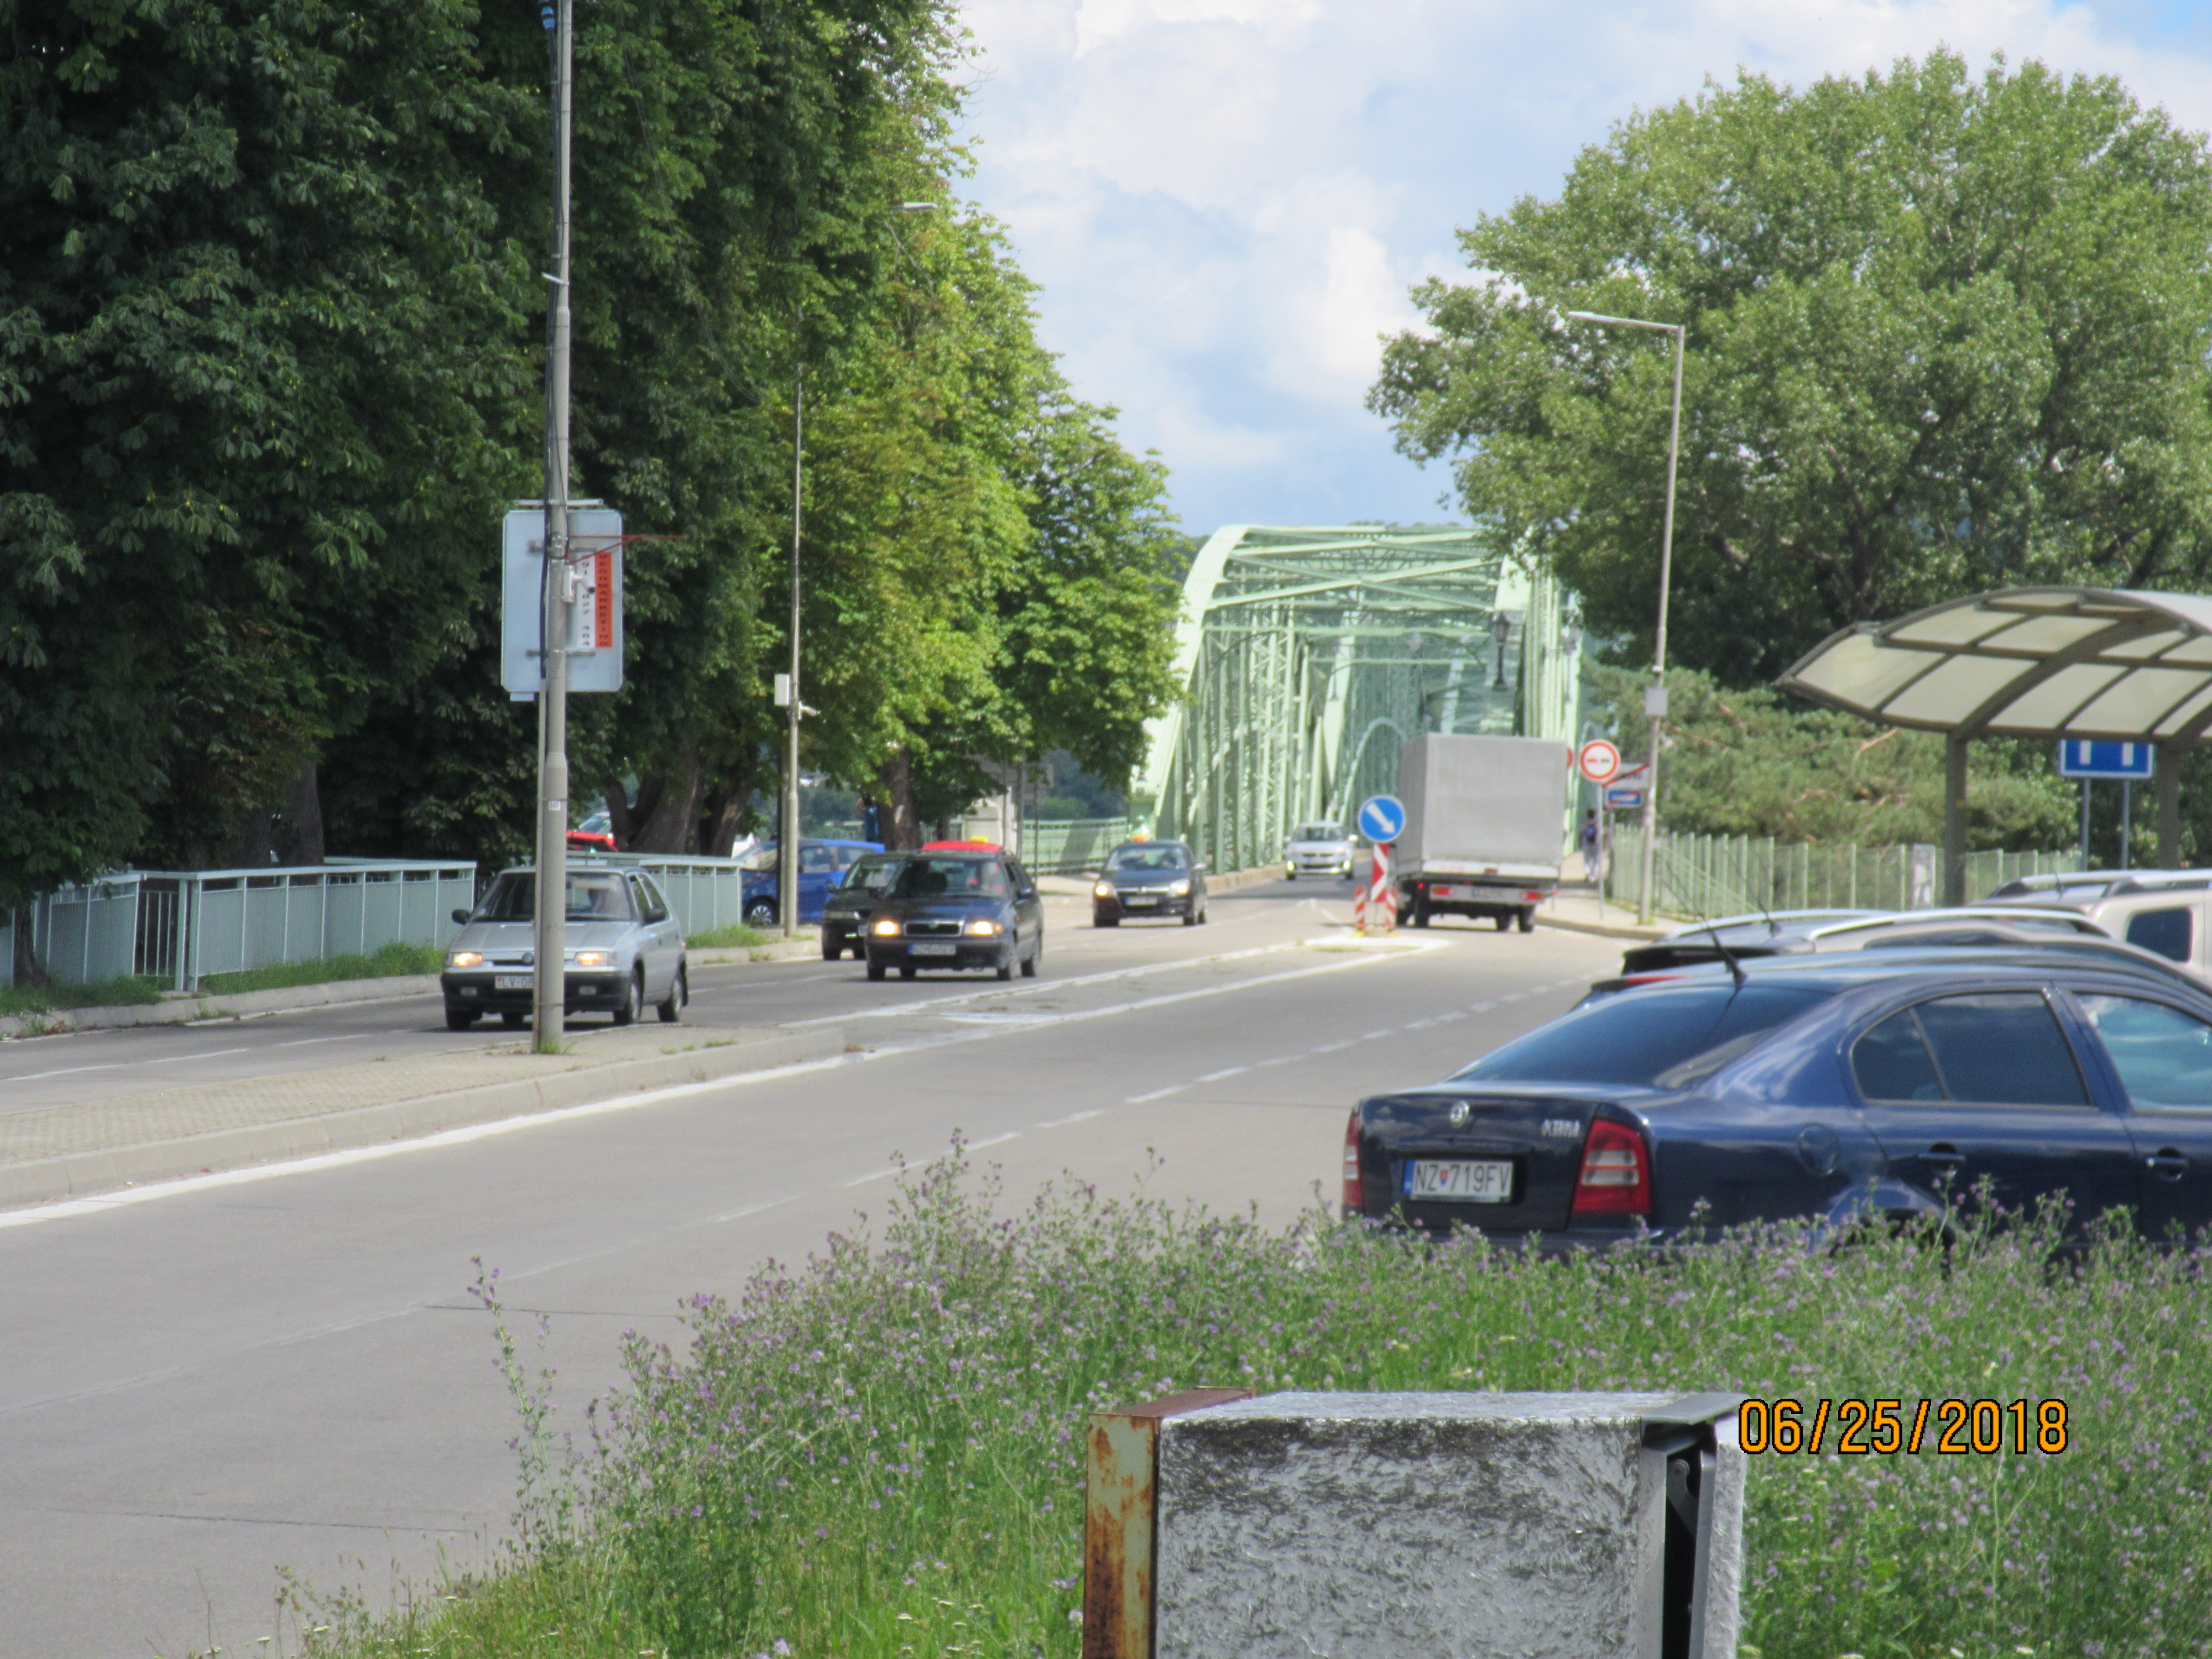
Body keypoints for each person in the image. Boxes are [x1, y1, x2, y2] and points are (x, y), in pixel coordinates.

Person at [1580, 808, 1606, 888]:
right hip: (1597, 845)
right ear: (1595, 815)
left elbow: (1581, 834)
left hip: (1587, 844)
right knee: (1596, 861)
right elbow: (1602, 834)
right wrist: (1604, 846)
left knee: (1587, 860)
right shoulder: (1598, 824)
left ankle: (1588, 873)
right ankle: (1593, 876)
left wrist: (1580, 844)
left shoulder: (1585, 824)